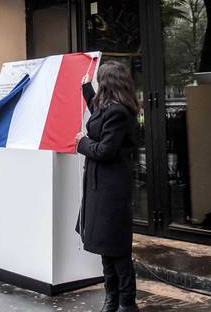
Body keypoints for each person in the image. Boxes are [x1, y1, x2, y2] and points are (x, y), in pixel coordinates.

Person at [74, 61, 140, 312]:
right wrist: (85, 87)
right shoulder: (109, 107)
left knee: (117, 248)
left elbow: (105, 150)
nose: (99, 85)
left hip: (112, 189)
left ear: (108, 83)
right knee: (105, 245)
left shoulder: (119, 112)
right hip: (99, 187)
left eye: (100, 80)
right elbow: (96, 110)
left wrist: (82, 142)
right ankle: (111, 298)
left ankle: (126, 302)